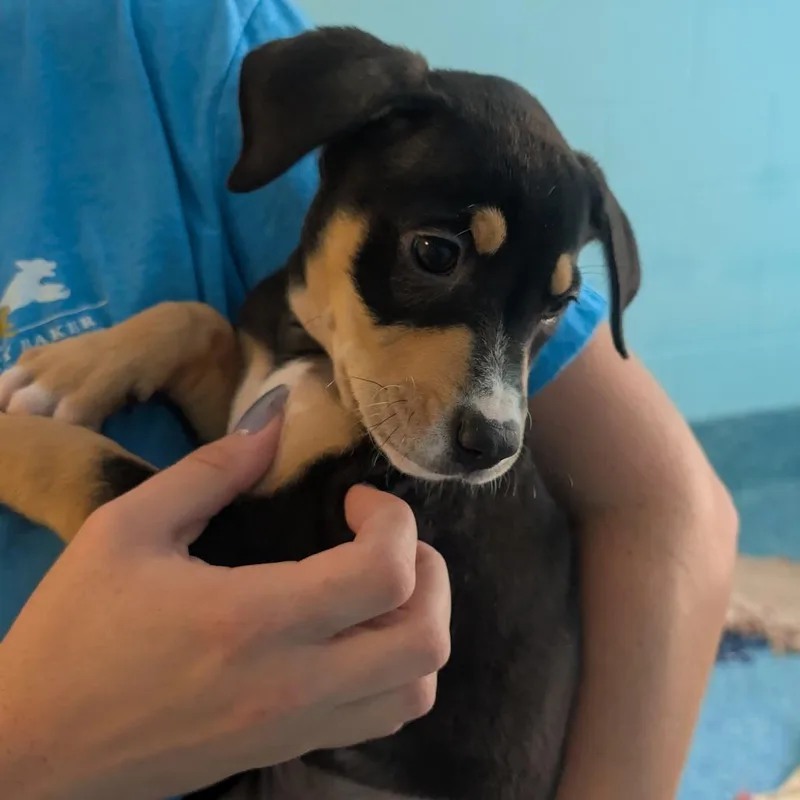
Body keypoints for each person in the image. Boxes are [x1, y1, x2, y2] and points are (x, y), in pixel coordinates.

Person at [0, 1, 739, 799]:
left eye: (545, 312)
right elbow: (247, 471)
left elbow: (211, 567)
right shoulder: (293, 337)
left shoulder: (166, 26)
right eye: (437, 254)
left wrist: (36, 459)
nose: (498, 412)